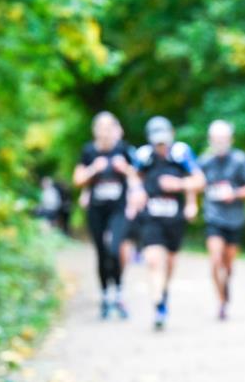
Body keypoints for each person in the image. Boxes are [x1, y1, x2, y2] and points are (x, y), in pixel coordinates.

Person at [72, 111, 144, 320]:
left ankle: (119, 292)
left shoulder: (123, 150)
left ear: (114, 129)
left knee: (115, 249)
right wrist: (94, 169)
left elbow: (138, 177)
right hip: (97, 210)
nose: (104, 132)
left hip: (118, 209)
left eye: (108, 127)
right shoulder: (88, 152)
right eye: (101, 128)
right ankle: (105, 297)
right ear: (95, 130)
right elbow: (78, 180)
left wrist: (126, 171)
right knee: (102, 254)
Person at [135, 116, 205, 330]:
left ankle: (163, 295)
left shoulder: (181, 154)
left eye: (164, 142)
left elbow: (199, 181)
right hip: (151, 216)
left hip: (174, 218)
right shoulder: (144, 156)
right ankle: (158, 305)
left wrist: (180, 186)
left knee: (171, 263)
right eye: (157, 143)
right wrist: (136, 192)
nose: (161, 147)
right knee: (153, 260)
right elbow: (134, 177)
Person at [198, 119, 245, 321]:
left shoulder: (240, 160)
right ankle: (221, 301)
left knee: (228, 264)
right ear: (210, 139)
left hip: (235, 219)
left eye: (223, 138)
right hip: (213, 217)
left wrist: (234, 193)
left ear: (230, 139)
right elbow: (195, 183)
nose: (220, 141)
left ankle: (226, 287)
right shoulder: (204, 161)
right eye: (216, 138)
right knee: (215, 260)